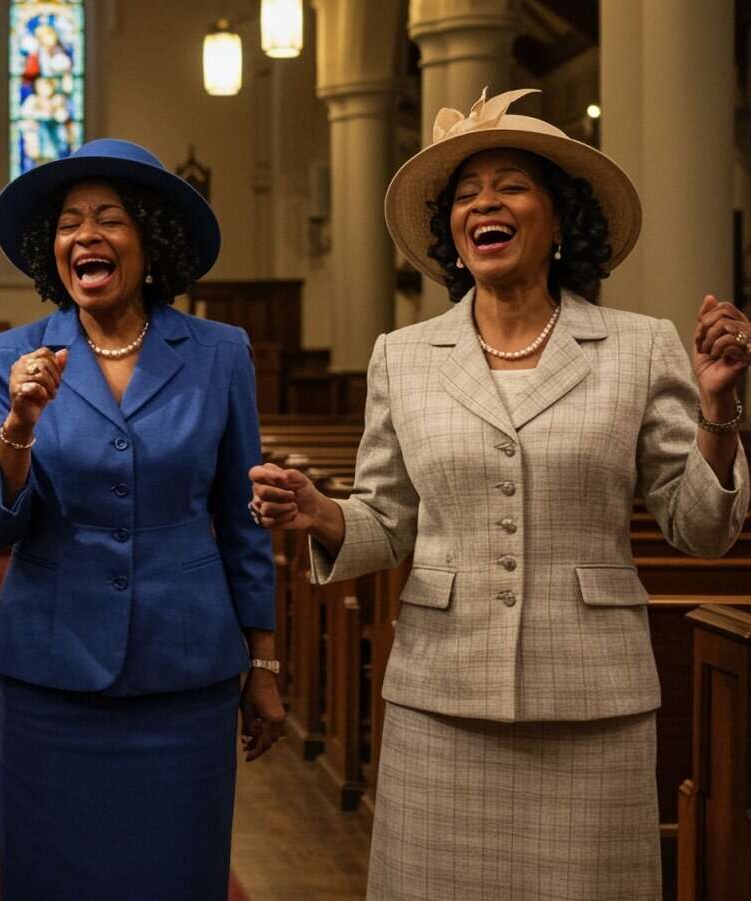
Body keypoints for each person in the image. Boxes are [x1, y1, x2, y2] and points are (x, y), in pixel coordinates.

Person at [250, 89, 751, 900]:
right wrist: (323, 513)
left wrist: (720, 412)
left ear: (559, 217)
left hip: (593, 706)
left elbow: (700, 530)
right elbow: (388, 517)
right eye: (466, 193)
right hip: (439, 702)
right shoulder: (403, 357)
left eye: (511, 183)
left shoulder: (637, 346)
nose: (484, 202)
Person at [0, 138, 284, 898]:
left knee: (177, 875)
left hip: (184, 671)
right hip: (50, 672)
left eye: (109, 218)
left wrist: (262, 663)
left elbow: (242, 520)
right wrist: (19, 425)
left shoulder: (218, 352)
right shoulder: (11, 357)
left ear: (150, 238)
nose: (86, 235)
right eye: (70, 223)